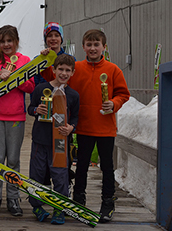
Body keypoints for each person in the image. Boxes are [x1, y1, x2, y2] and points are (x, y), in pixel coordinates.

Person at [40, 29, 130, 222]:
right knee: (81, 166)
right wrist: (46, 60)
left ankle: (107, 202)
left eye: (96, 45)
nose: (92, 48)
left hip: (105, 128)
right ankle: (78, 200)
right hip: (82, 127)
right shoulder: (76, 67)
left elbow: (124, 94)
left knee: (107, 167)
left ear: (104, 47)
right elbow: (55, 78)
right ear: (83, 47)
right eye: (88, 45)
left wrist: (114, 103)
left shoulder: (114, 70)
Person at [0, 25, 35, 218]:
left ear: (16, 41)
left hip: (16, 118)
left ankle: (13, 198)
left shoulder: (24, 60)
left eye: (9, 41)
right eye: (2, 41)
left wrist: (15, 79)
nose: (6, 45)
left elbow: (30, 87)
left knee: (13, 159)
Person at [27, 54, 79, 224]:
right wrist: (37, 110)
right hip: (40, 141)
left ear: (72, 73)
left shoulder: (73, 95)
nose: (63, 73)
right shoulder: (41, 88)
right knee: (37, 174)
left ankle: (59, 208)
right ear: (54, 70)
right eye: (61, 69)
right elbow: (30, 108)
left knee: (60, 175)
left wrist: (71, 127)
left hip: (60, 142)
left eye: (67, 70)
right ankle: (36, 206)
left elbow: (76, 118)